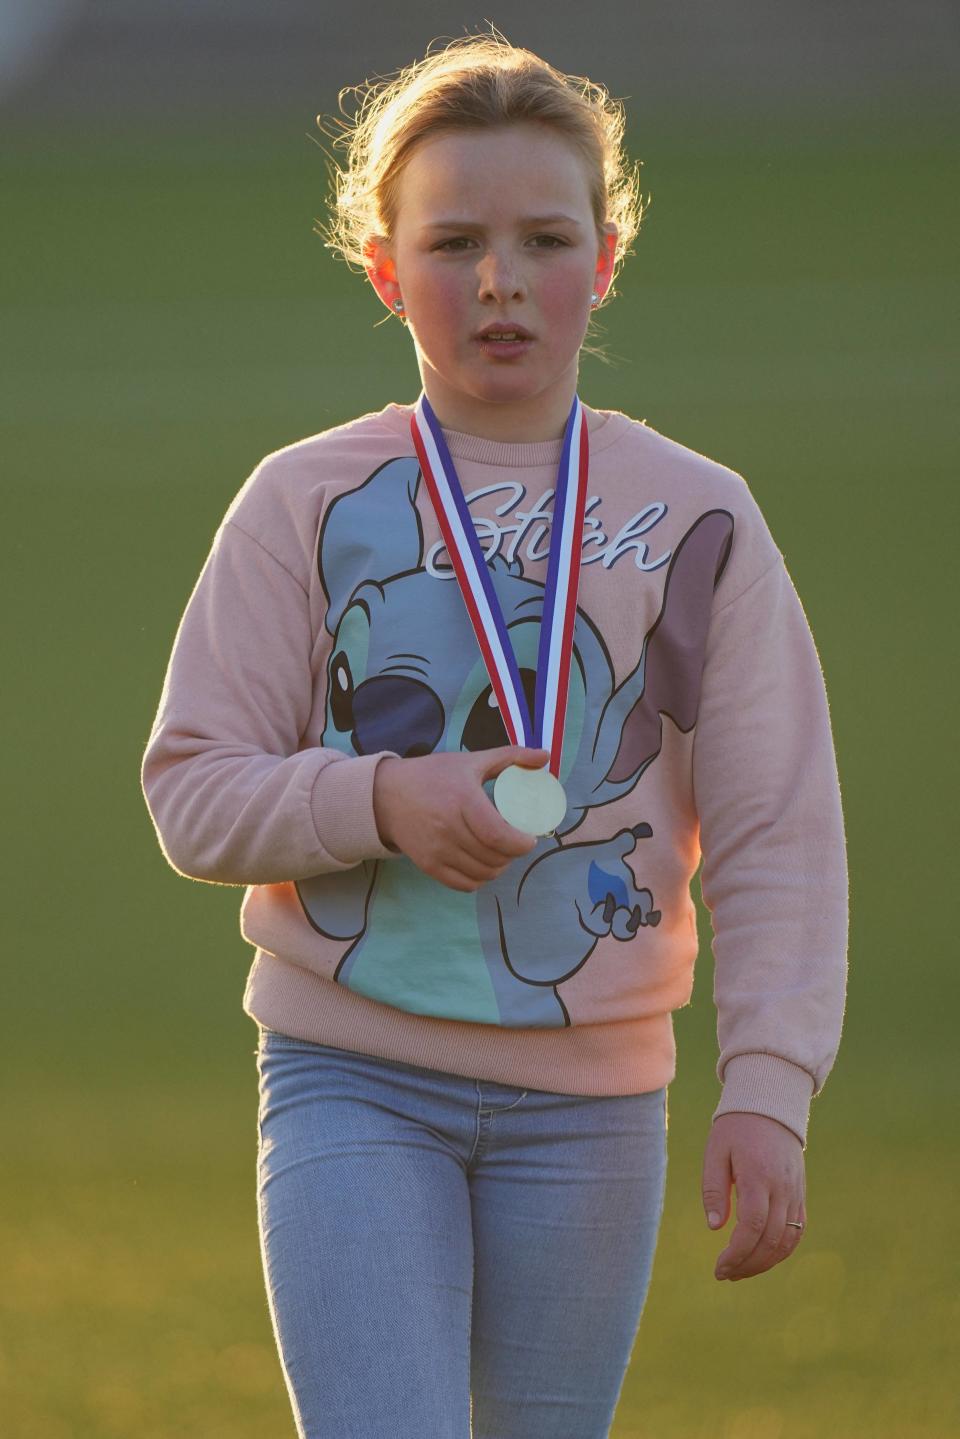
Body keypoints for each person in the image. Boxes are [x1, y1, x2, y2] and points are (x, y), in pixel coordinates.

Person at [140, 31, 848, 1439]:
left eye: (544, 237)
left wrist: (768, 1089)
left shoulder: (700, 517)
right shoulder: (304, 502)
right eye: (455, 241)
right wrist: (384, 800)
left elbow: (776, 829)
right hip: (353, 1082)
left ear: (607, 256)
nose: (502, 280)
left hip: (591, 1116)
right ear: (385, 268)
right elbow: (193, 793)